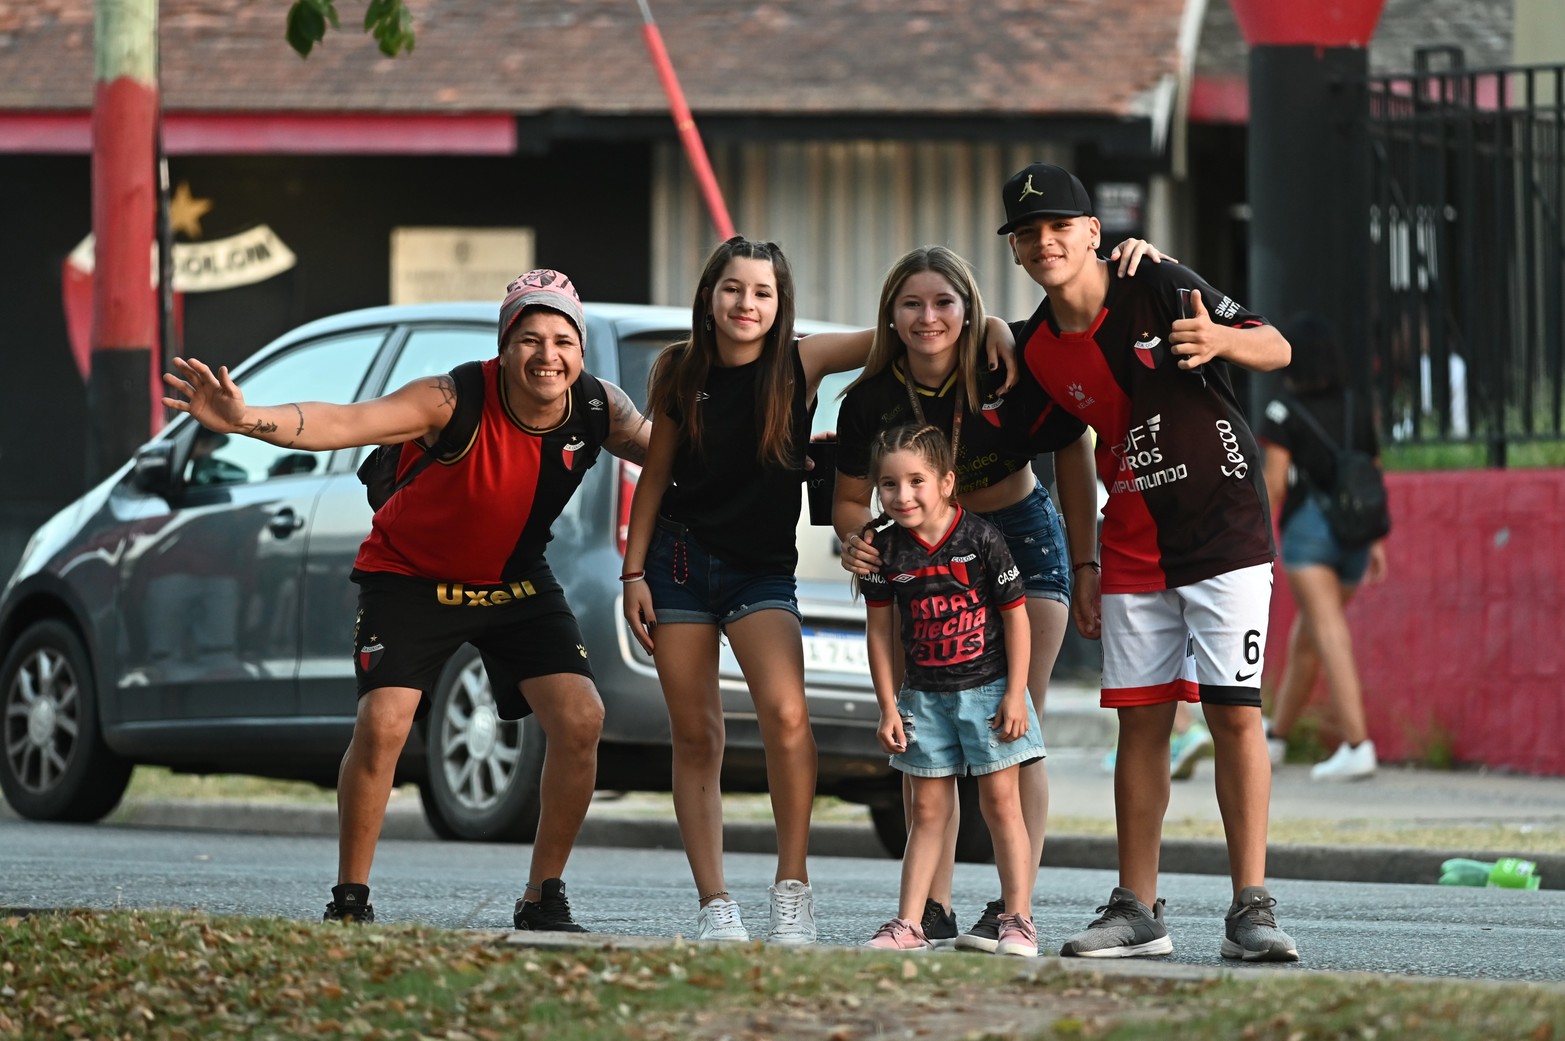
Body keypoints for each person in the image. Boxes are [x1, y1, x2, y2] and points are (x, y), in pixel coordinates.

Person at [162, 269, 651, 929]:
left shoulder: (597, 408)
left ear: (580, 350)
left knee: (581, 717)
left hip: (513, 576)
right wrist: (247, 419)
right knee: (385, 724)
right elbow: (347, 421)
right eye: (529, 338)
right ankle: (350, 900)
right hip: (410, 575)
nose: (547, 355)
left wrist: (796, 456)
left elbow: (677, 458)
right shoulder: (449, 398)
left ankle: (543, 896)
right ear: (504, 346)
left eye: (562, 340)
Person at [999, 162, 1298, 962]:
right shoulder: (1034, 349)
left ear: (1092, 234)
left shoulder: (1155, 277)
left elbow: (1275, 344)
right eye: (1028, 234)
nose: (1044, 242)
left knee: (1234, 711)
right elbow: (1030, 447)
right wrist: (1085, 562)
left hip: (1224, 533)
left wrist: (1220, 339)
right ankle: (1137, 910)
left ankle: (1251, 909)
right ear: (1019, 254)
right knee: (1141, 723)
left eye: (1059, 226)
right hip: (1130, 544)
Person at [834, 240, 1169, 950]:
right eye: (912, 303)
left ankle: (1013, 909)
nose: (928, 317)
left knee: (1014, 724)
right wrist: (857, 537)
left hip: (1019, 532)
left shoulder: (1004, 363)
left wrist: (1085, 563)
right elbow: (847, 501)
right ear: (890, 314)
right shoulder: (870, 397)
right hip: (920, 554)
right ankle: (931, 906)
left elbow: (1073, 452)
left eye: (944, 302)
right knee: (928, 724)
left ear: (968, 309)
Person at [619, 236, 884, 944]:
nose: (746, 303)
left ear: (779, 303)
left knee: (786, 716)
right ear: (709, 294)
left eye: (761, 292)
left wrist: (986, 326)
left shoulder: (802, 360)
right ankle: (716, 905)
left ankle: (791, 889)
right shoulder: (680, 369)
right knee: (696, 734)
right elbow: (656, 474)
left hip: (760, 572)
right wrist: (632, 571)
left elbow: (896, 330)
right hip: (678, 563)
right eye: (732, 288)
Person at [858, 424, 1041, 956]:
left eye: (917, 480)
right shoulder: (882, 549)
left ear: (946, 482)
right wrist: (888, 705)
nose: (903, 495)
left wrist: (1015, 694)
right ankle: (908, 924)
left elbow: (1017, 620)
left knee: (1002, 805)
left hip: (988, 692)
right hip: (923, 699)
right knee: (928, 813)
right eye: (889, 484)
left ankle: (1018, 920)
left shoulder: (980, 538)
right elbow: (879, 631)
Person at [1258, 312, 1388, 781]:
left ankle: (1358, 745)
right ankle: (1276, 740)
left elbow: (1273, 484)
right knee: (1308, 640)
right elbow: (1370, 472)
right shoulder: (1357, 405)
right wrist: (1374, 540)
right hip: (1356, 532)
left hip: (1311, 532)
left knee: (1327, 634)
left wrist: (1257, 539)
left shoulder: (1282, 411)